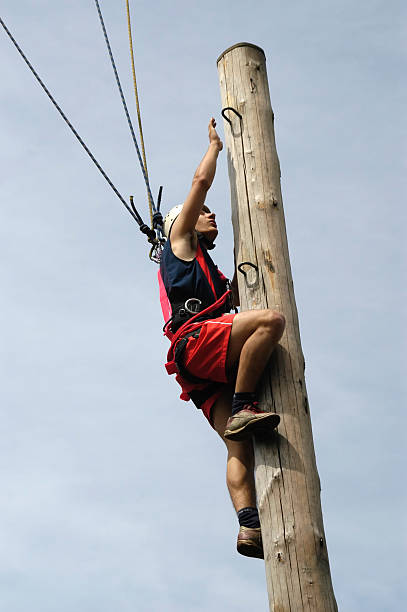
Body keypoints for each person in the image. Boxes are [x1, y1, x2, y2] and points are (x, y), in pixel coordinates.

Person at [159, 118, 286, 559]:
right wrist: (214, 147)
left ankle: (248, 527)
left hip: (200, 367)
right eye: (203, 214)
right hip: (197, 344)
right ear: (187, 223)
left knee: (240, 447)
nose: (211, 215)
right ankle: (244, 403)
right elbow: (200, 181)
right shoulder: (179, 242)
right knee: (270, 321)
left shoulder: (205, 273)